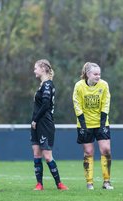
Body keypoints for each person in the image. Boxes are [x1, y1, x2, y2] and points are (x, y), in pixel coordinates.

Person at [72, 62, 114, 190]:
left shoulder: (104, 85)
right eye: (95, 74)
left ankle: (106, 182)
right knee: (88, 152)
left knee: (106, 150)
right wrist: (83, 124)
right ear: (88, 74)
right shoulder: (79, 86)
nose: (98, 76)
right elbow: (77, 104)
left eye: (99, 74)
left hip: (101, 122)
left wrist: (102, 123)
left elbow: (106, 102)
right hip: (85, 123)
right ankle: (89, 183)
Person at [30, 59, 68, 191]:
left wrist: (35, 119)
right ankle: (39, 184)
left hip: (44, 123)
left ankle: (59, 184)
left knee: (47, 156)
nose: (34, 70)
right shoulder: (42, 85)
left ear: (43, 68)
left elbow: (46, 104)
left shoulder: (47, 85)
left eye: (36, 68)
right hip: (36, 122)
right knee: (36, 153)